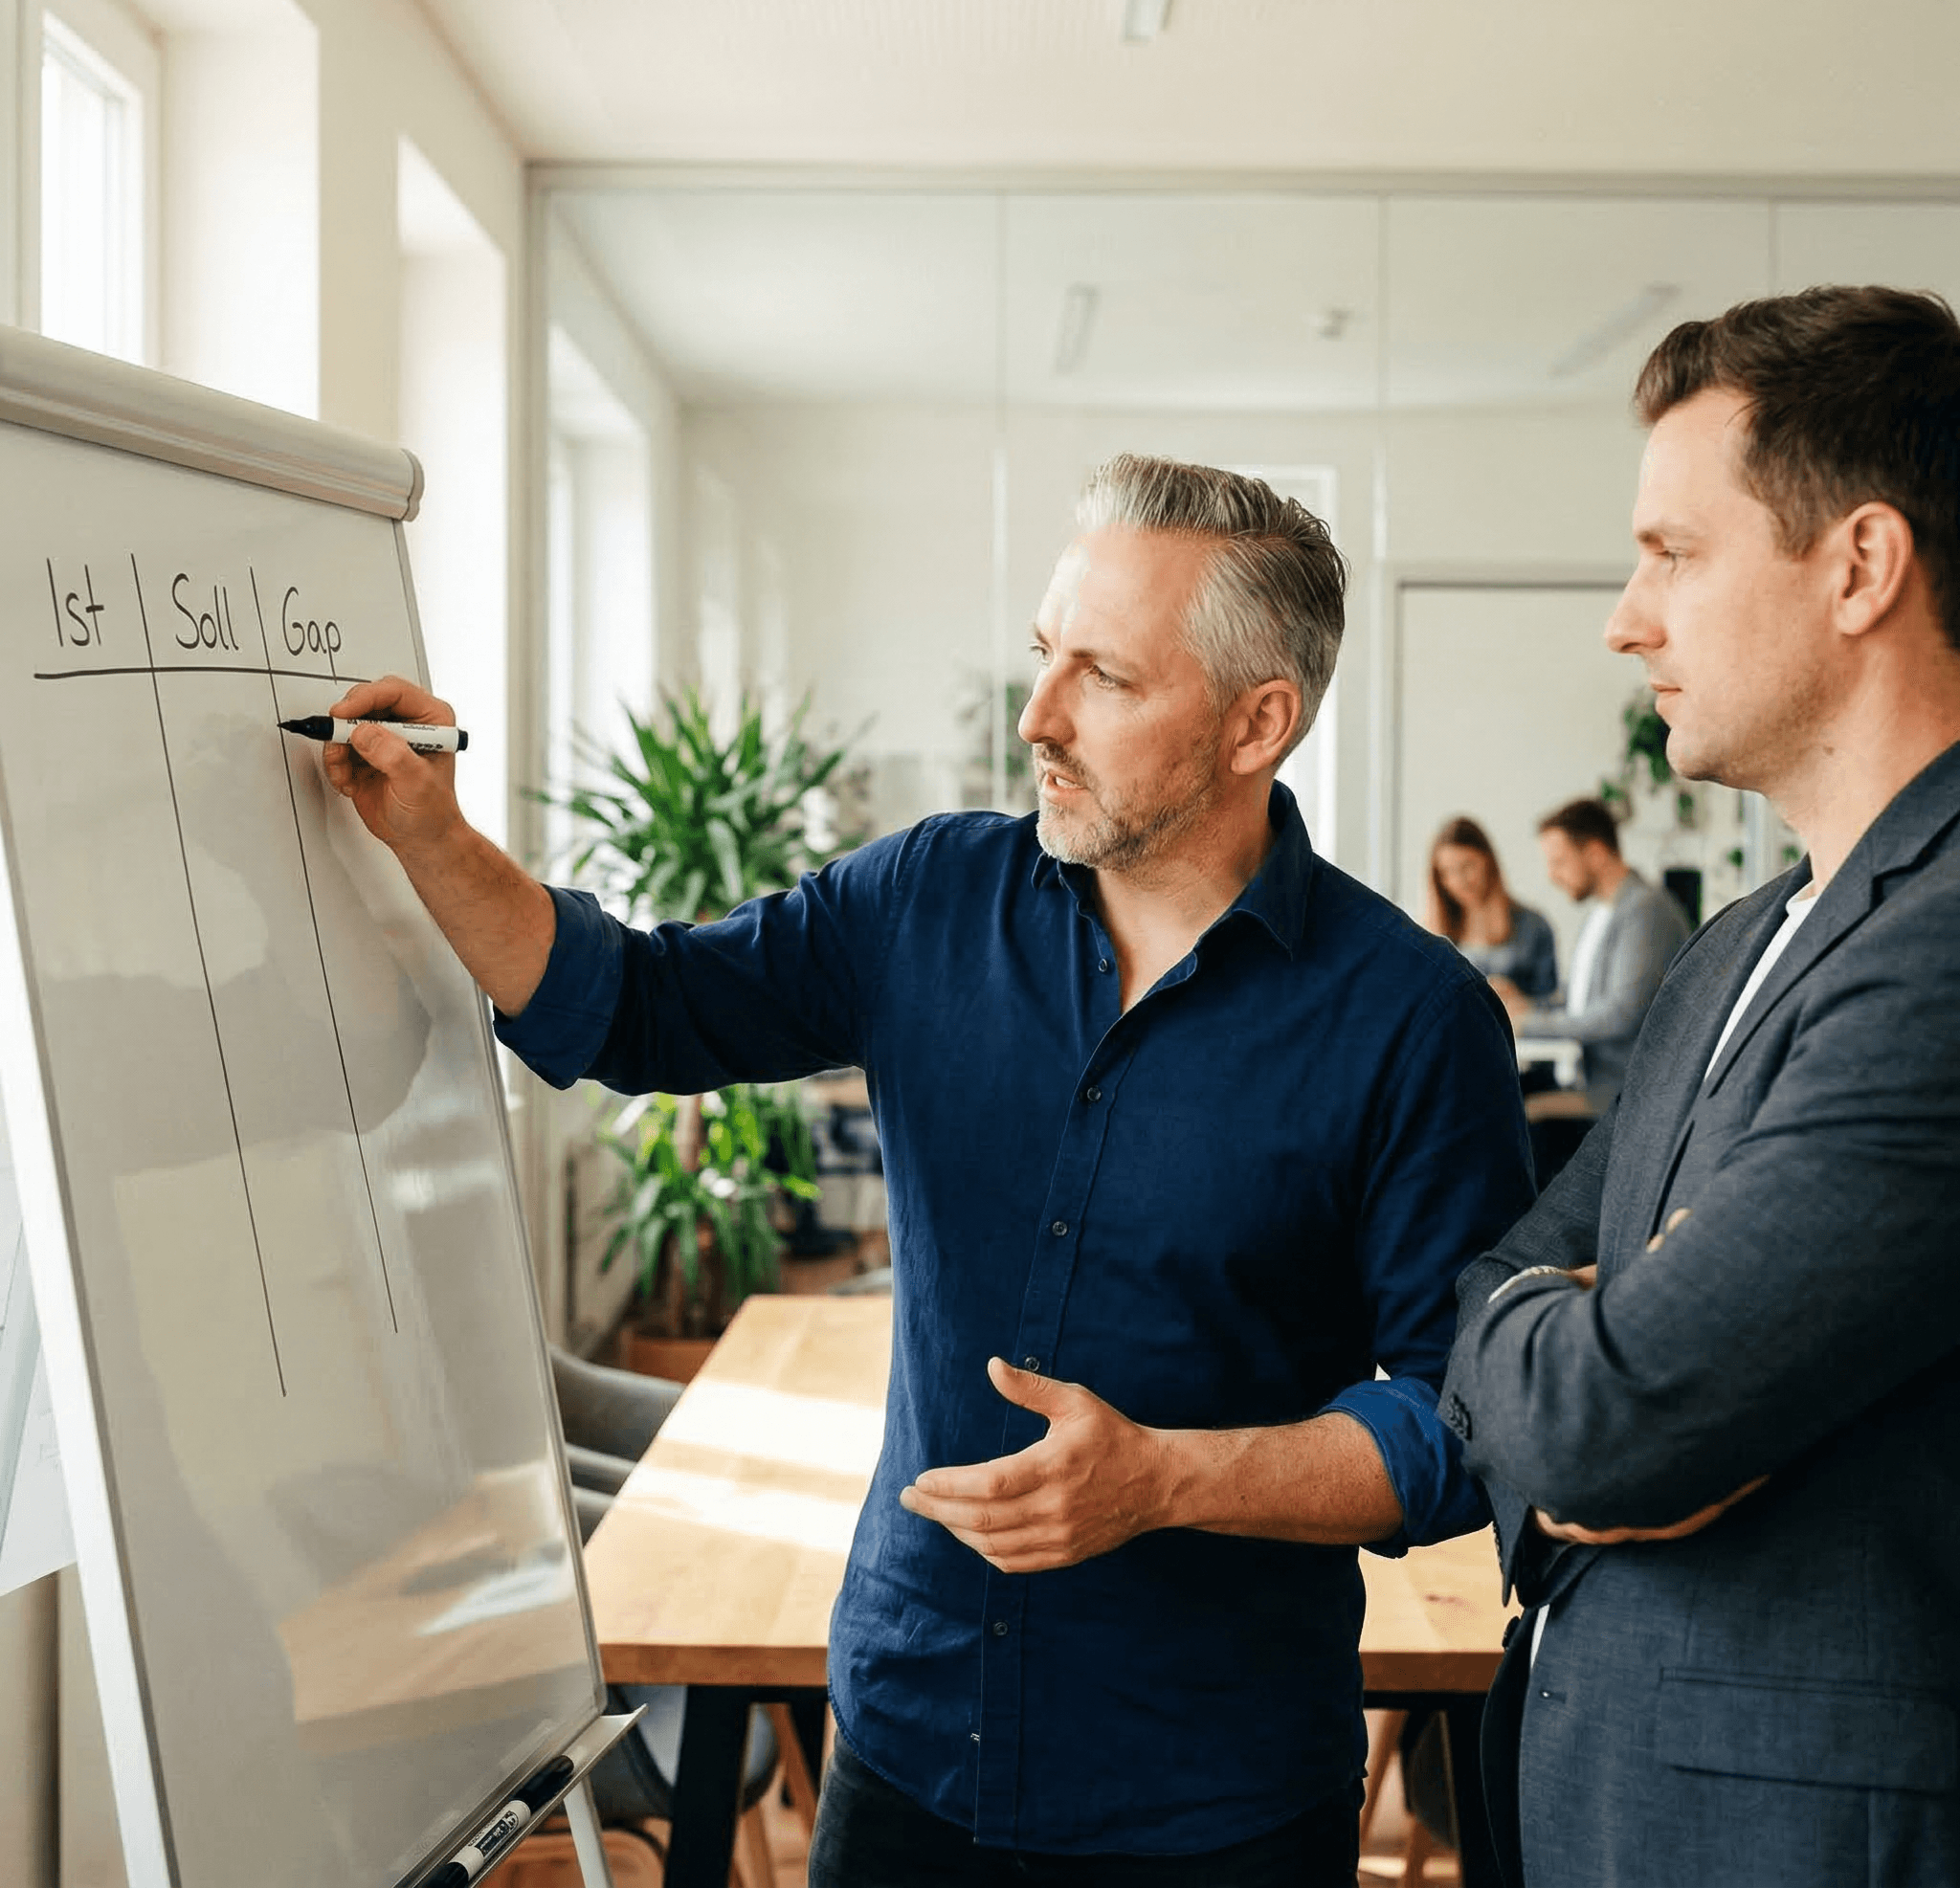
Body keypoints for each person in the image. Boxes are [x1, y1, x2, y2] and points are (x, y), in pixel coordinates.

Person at [325, 454, 1533, 1886]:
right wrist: (432, 834)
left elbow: (1457, 1424)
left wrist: (1167, 1480)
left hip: (1214, 1796)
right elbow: (639, 1006)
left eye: (1105, 678)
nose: (1037, 718)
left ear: (1256, 722)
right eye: (1042, 658)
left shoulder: (1412, 1019)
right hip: (907, 1746)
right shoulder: (925, 898)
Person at [1438, 285, 1960, 1887]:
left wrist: (1591, 1375)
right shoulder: (1731, 946)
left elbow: (1604, 1421)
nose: (1624, 615)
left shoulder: (1941, 948)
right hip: (1615, 1795)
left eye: (1672, 553)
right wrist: (1566, 1325)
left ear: (1857, 566)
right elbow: (1500, 1281)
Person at [1488, 797, 1688, 1109]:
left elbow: (1620, 1014)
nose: (1552, 875)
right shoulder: (1601, 913)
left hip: (1620, 1092)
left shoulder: (1645, 911)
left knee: (1514, 1112)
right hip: (1588, 1077)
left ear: (1595, 854)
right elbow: (1579, 1001)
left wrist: (1527, 1023)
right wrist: (1523, 1005)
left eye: (1559, 862)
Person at [1427, 815, 1558, 1000]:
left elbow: (1553, 1005)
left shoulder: (1533, 926)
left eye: (1467, 866)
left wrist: (1520, 1003)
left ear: (1488, 861)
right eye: (1446, 872)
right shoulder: (1432, 936)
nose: (1459, 881)